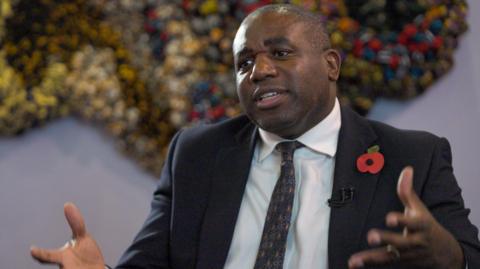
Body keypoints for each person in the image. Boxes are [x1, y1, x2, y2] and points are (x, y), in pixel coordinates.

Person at [30, 4, 480, 269]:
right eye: (244, 63)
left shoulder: (412, 156)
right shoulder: (196, 155)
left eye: (280, 54)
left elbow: (468, 256)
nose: (259, 71)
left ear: (331, 65)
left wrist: (446, 255)